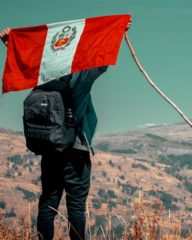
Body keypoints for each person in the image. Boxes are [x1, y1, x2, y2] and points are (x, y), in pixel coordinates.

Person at [0, 19, 131, 240]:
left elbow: (26, 61)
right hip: (76, 150)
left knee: (48, 204)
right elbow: (101, 61)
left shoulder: (42, 77)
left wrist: (10, 42)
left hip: (50, 149)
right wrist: (116, 31)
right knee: (76, 207)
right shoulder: (79, 78)